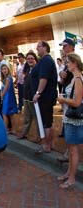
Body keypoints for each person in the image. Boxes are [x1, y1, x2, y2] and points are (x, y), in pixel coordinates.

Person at [56, 53, 83, 189]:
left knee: (73, 150)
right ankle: (68, 173)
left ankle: (72, 178)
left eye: (68, 62)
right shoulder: (74, 78)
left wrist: (63, 100)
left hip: (74, 120)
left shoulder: (78, 79)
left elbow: (77, 102)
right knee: (71, 148)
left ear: (75, 63)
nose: (66, 64)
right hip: (70, 118)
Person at [32, 41, 58, 154]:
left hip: (45, 97)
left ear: (45, 48)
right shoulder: (44, 60)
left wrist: (38, 93)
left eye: (38, 47)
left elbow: (44, 78)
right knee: (47, 121)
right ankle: (50, 144)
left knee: (46, 122)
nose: (36, 49)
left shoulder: (46, 60)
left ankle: (46, 145)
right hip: (45, 96)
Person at [17, 52, 39, 139]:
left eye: (32, 58)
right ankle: (24, 133)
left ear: (35, 60)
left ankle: (39, 136)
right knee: (27, 117)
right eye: (28, 59)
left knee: (37, 118)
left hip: (33, 98)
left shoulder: (38, 69)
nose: (30, 60)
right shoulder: (27, 69)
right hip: (26, 97)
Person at [1, 64, 18, 134]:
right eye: (3, 69)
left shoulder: (8, 78)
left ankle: (6, 129)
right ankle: (12, 129)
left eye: (5, 69)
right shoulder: (6, 78)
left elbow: (6, 88)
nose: (4, 70)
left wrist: (2, 96)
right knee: (10, 114)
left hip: (7, 97)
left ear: (8, 69)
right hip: (8, 97)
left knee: (5, 113)